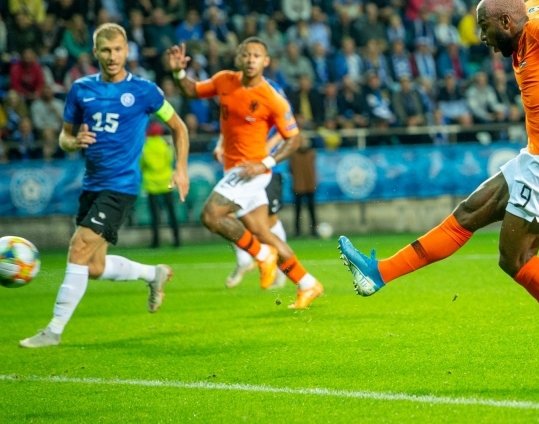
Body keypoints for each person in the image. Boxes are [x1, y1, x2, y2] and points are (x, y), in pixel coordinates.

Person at [337, 0, 539, 370]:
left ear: (507, 23)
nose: (483, 40)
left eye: (486, 30)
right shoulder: (527, 19)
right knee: (469, 213)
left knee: (515, 259)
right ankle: (379, 273)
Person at [20, 23, 189, 348]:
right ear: (95, 52)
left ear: (127, 52)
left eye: (118, 50)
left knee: (78, 248)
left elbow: (178, 127)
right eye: (105, 50)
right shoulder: (81, 89)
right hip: (92, 185)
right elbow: (65, 136)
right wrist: (73, 142)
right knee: (94, 266)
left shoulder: (144, 91)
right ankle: (153, 274)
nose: (112, 57)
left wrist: (180, 168)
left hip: (121, 186)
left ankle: (53, 331)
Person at [168, 38, 324, 309]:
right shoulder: (224, 81)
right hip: (235, 167)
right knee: (263, 231)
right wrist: (178, 72)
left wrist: (265, 163)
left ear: (266, 61)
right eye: (246, 54)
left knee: (210, 215)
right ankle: (308, 284)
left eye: (257, 55)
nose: (251, 59)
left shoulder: (272, 98)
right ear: (238, 58)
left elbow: (293, 139)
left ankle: (262, 256)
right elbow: (192, 90)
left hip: (251, 170)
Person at [218, 77, 291, 290]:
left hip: (266, 168)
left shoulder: (272, 89)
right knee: (225, 214)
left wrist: (266, 149)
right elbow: (230, 123)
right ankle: (244, 260)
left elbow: (286, 125)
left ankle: (283, 269)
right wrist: (220, 144)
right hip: (240, 166)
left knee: (267, 222)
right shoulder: (234, 88)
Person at [141, 122, 181, 248]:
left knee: (154, 215)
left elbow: (142, 164)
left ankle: (156, 241)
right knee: (171, 213)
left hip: (151, 184)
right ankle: (177, 240)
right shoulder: (166, 146)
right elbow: (170, 161)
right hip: (166, 183)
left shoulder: (145, 147)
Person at [290, 133, 318, 237]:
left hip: (308, 185)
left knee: (311, 210)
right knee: (298, 211)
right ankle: (297, 231)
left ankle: (313, 231)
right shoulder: (296, 154)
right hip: (299, 186)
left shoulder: (310, 153)